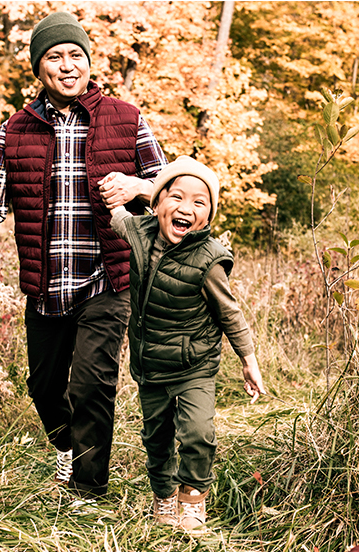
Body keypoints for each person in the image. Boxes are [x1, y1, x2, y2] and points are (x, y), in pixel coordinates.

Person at [0, 11, 167, 499]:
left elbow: (171, 189)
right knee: (44, 389)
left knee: (92, 385)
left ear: (89, 62)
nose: (68, 66)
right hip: (45, 284)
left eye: (76, 55)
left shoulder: (126, 118)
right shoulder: (16, 130)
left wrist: (137, 186)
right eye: (54, 57)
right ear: (39, 68)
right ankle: (67, 447)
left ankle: (88, 491)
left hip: (108, 279)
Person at [100, 156, 265, 532]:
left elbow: (230, 314)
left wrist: (248, 359)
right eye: (176, 197)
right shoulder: (140, 235)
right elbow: (119, 217)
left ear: (207, 217)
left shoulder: (210, 261)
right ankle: (163, 495)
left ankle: (192, 498)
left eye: (199, 202)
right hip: (150, 364)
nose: (185, 208)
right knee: (156, 436)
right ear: (157, 204)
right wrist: (111, 190)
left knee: (198, 433)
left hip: (195, 367)